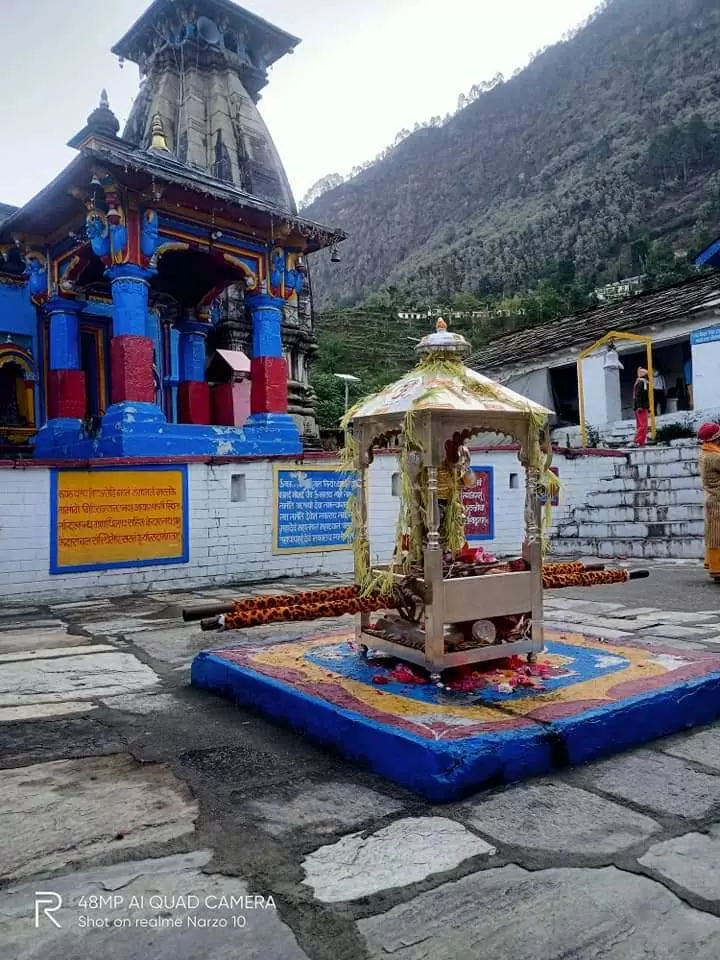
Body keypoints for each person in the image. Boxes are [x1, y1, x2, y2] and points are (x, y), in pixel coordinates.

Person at [698, 422, 720, 581]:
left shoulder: (705, 453)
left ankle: (713, 565)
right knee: (717, 536)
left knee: (714, 534)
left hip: (711, 498)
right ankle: (717, 568)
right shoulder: (714, 457)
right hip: (717, 499)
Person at [632, 367, 650, 446]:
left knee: (640, 425)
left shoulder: (638, 382)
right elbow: (639, 395)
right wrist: (641, 406)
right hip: (641, 407)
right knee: (643, 426)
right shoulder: (642, 383)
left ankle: (641, 441)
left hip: (638, 407)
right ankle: (637, 440)